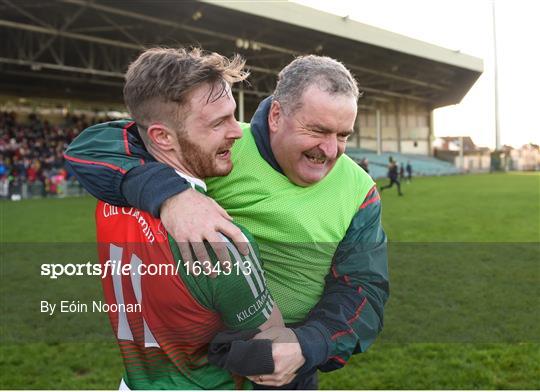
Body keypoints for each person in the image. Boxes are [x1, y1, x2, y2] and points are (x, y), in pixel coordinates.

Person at [65, 54, 389, 389]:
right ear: (277, 115)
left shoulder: (360, 190)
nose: (331, 149)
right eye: (318, 130)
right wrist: (171, 195)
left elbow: (364, 289)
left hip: (288, 367)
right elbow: (92, 145)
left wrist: (309, 342)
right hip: (206, 359)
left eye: (343, 135)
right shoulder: (222, 147)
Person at [93, 47, 283, 389]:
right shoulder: (220, 242)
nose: (237, 132)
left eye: (233, 116)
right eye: (218, 123)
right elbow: (270, 355)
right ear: (162, 137)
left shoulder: (110, 197)